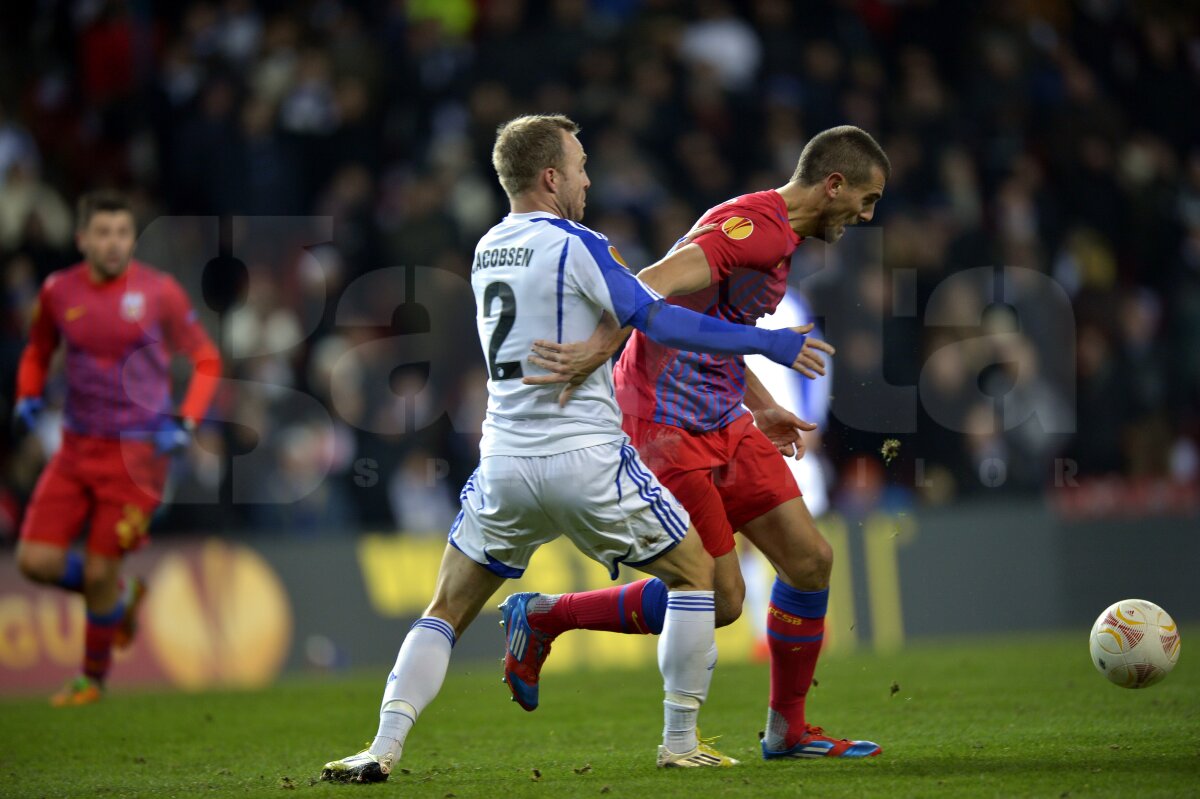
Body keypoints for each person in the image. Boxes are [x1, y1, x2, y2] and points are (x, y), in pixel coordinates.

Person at [319, 114, 835, 783]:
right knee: (698, 576)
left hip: (503, 462)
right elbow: (658, 315)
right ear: (551, 176)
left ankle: (381, 748)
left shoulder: (484, 249)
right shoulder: (579, 244)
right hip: (587, 459)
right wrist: (767, 342)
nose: (589, 178)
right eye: (581, 165)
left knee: (444, 608)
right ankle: (679, 737)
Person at [502, 125, 888, 760]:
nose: (865, 216)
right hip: (665, 424)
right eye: (865, 200)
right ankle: (546, 615)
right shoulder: (754, 227)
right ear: (834, 185)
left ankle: (788, 729)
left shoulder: (777, 234)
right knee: (720, 597)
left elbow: (716, 321)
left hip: (723, 416)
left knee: (810, 561)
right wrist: (598, 351)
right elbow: (650, 283)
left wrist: (761, 406)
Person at [13, 190, 221, 706]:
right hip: (75, 450)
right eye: (102, 233)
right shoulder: (58, 292)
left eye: (122, 233)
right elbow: (38, 352)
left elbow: (207, 359)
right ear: (82, 238)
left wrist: (187, 422)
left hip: (137, 458)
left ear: (133, 238)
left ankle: (91, 678)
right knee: (34, 562)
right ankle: (121, 600)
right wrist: (27, 392)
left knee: (101, 569)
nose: (113, 243)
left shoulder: (159, 293)